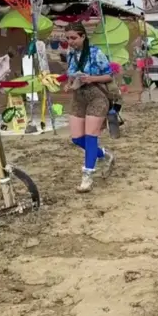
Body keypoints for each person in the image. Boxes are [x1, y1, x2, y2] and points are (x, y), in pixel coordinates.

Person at [63, 21, 115, 193]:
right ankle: (104, 155)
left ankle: (87, 176)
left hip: (96, 96)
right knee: (77, 138)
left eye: (74, 38)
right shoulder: (70, 54)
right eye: (68, 38)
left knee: (90, 136)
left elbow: (109, 75)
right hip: (79, 97)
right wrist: (69, 84)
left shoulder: (95, 53)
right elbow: (70, 75)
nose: (70, 41)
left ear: (83, 36)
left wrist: (91, 79)